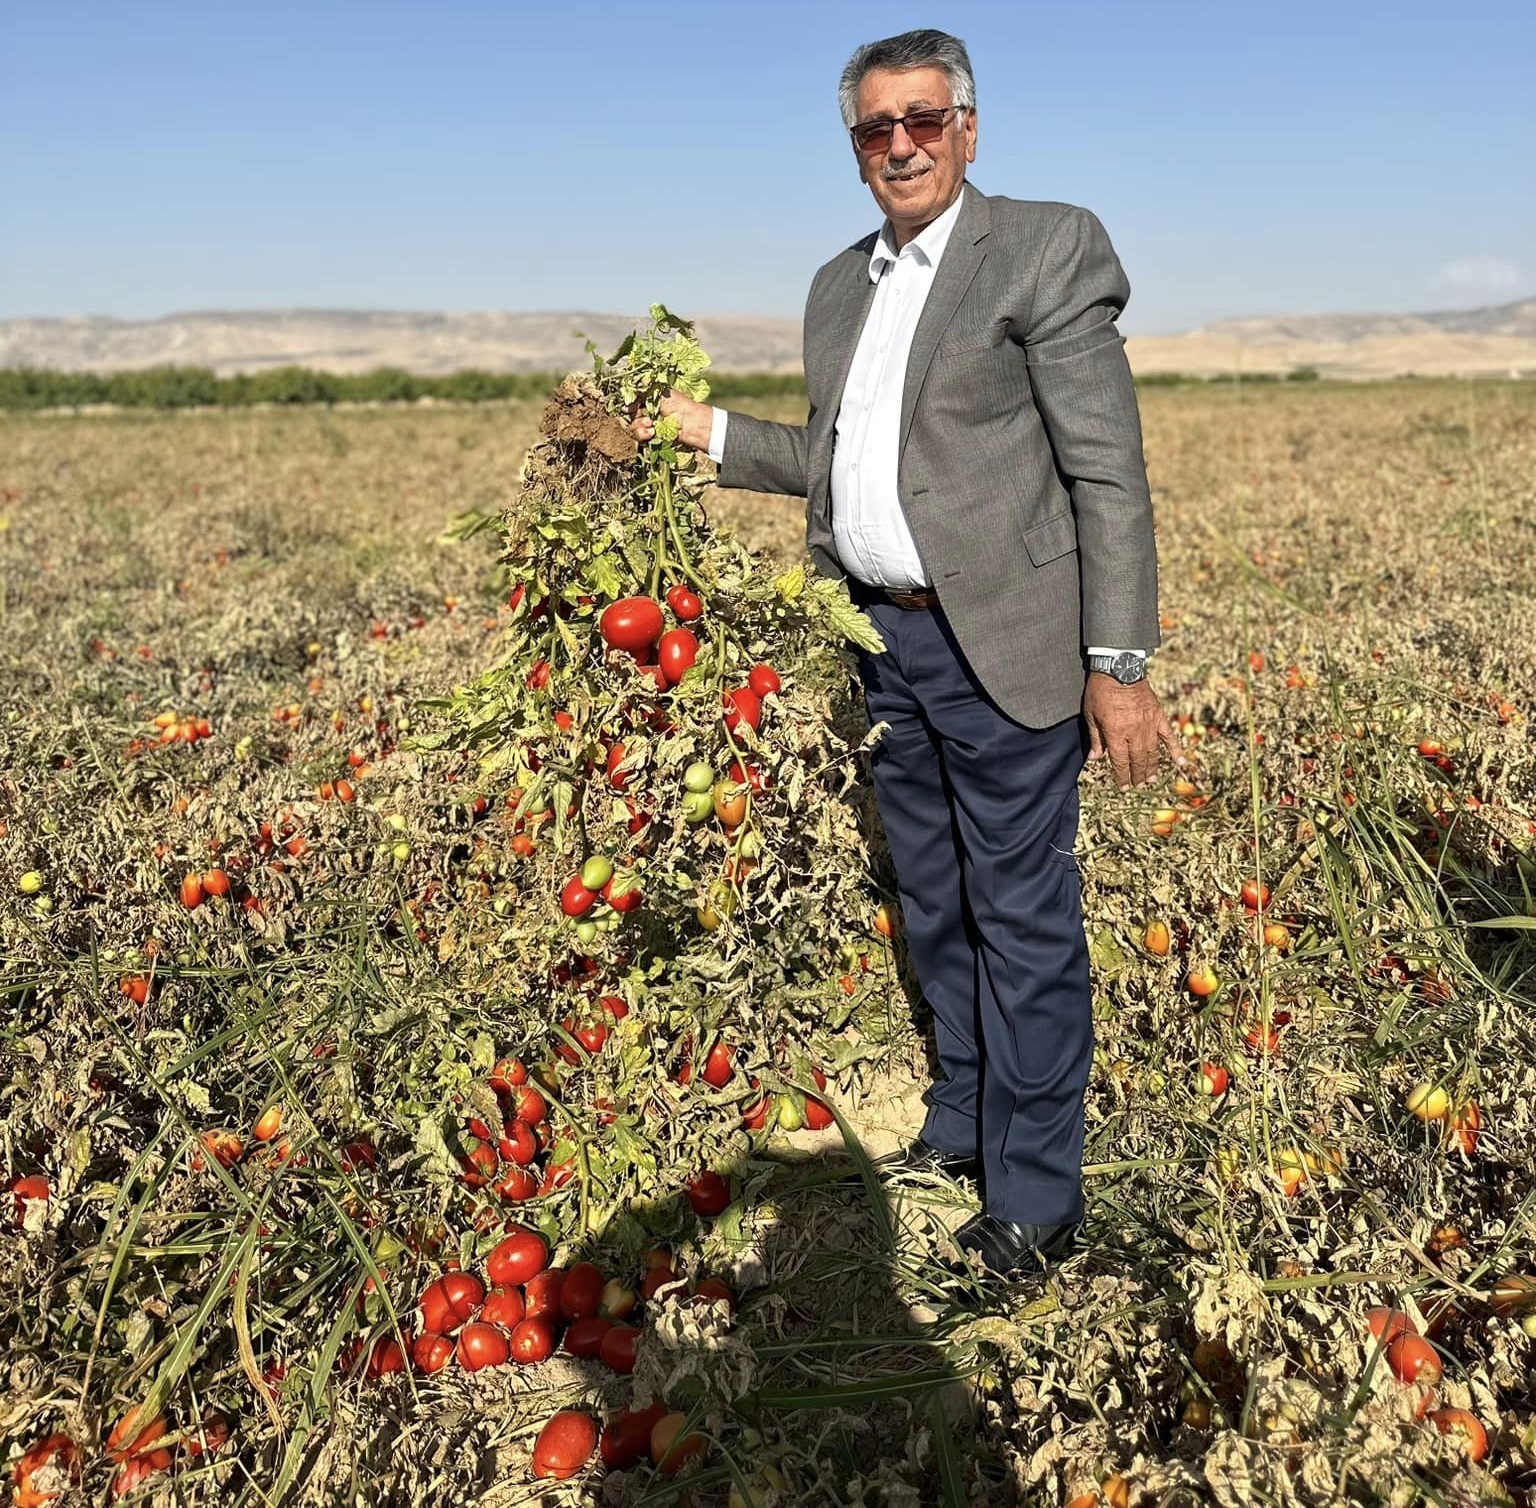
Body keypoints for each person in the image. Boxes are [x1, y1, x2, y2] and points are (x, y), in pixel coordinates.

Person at [631, 27, 1183, 1280]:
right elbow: (832, 466)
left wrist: (1121, 661)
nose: (900, 147)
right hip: (882, 640)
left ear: (967, 128)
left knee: (1022, 917)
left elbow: (1109, 472)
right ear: (855, 148)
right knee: (935, 900)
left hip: (1011, 643)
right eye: (875, 130)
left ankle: (1035, 1198)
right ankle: (959, 1119)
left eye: (923, 121)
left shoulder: (1043, 246)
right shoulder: (841, 286)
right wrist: (700, 432)